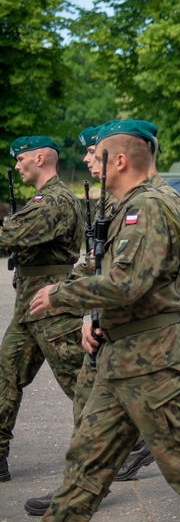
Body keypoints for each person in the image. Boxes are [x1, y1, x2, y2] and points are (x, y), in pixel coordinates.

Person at [18, 120, 180, 522]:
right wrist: (92, 313)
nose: (88, 161)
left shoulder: (148, 207)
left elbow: (127, 284)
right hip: (122, 353)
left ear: (120, 160)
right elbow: (106, 270)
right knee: (88, 454)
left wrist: (60, 295)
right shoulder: (131, 204)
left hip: (154, 360)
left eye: (95, 155)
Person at [0, 136, 85, 484]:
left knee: (81, 384)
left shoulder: (55, 200)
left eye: (21, 159)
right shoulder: (41, 200)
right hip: (30, 305)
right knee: (6, 375)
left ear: (40, 158)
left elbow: (9, 236)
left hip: (54, 306)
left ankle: (123, 446)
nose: (18, 166)